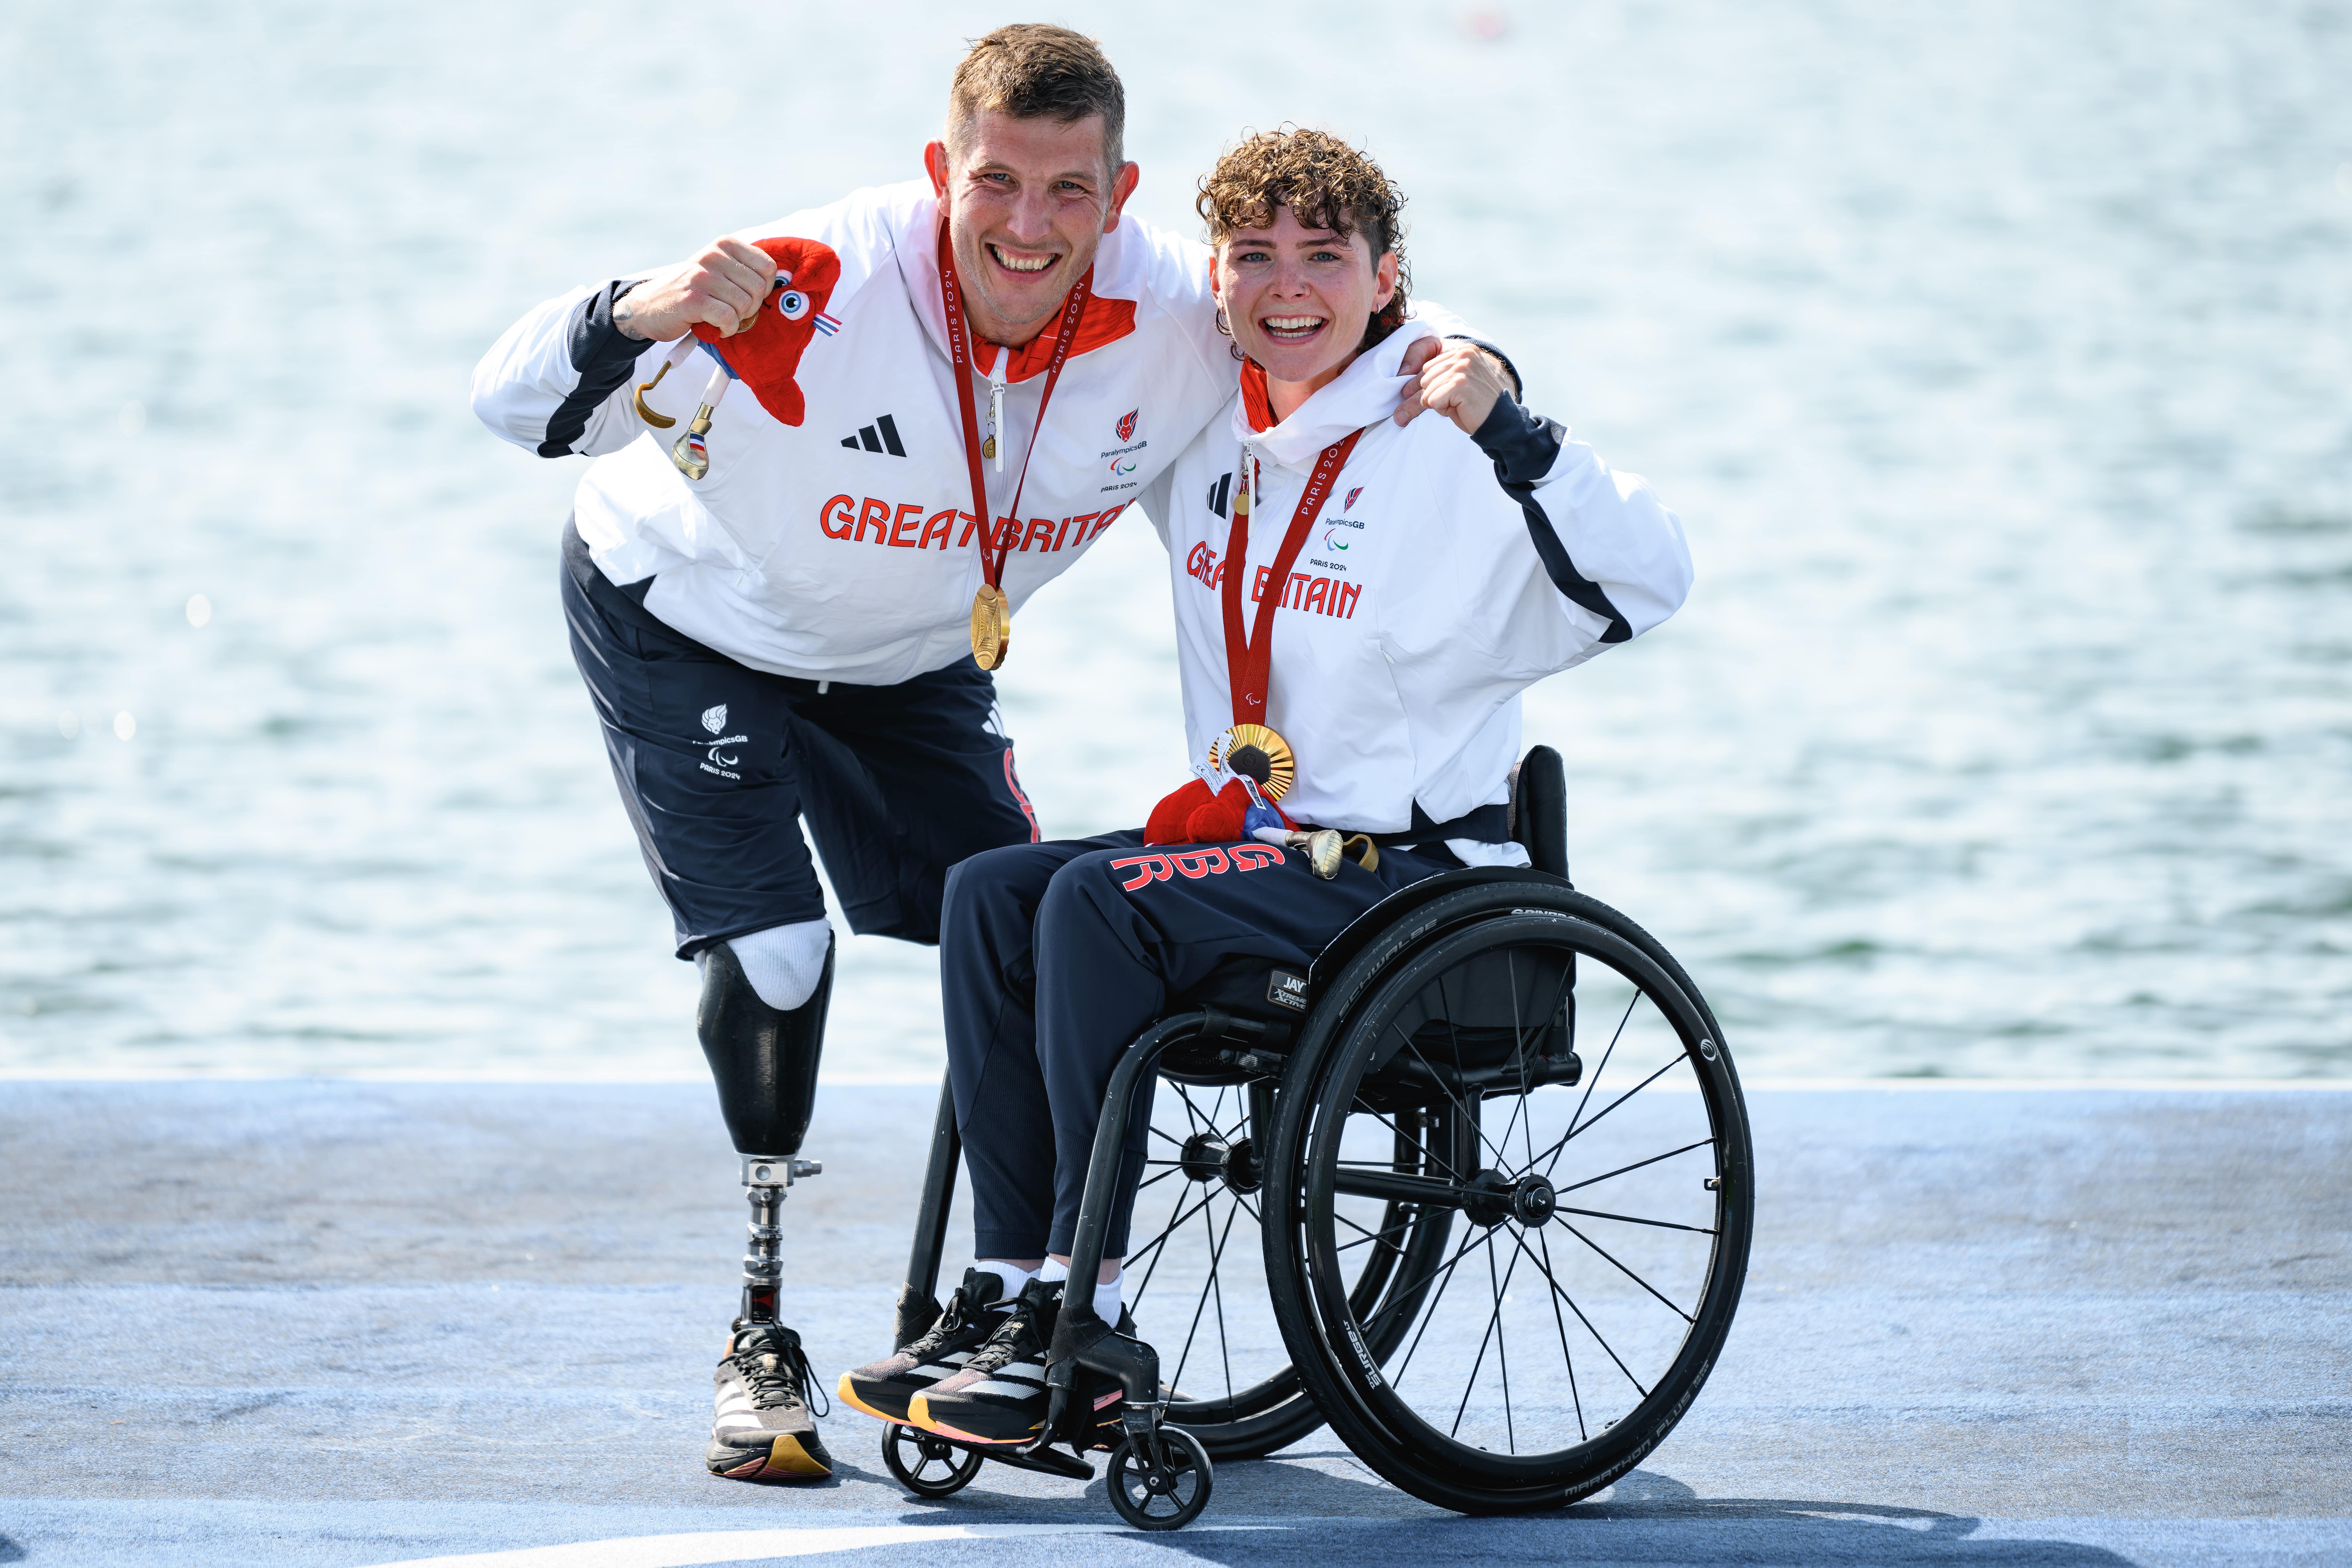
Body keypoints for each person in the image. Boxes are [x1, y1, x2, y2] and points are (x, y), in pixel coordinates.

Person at [470, 27, 1511, 1483]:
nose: (1029, 226)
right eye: (995, 184)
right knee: (778, 955)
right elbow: (510, 404)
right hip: (688, 617)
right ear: (936, 174)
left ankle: (1028, 1304)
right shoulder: (810, 283)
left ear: (1117, 189)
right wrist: (639, 308)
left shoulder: (1169, 307)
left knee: (1009, 919)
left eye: (1068, 191)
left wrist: (1478, 368)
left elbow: (1318, 301)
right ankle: (757, 1339)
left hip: (907, 663)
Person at [840, 127, 1691, 1450]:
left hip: (1407, 877)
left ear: (1386, 279)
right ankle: (1004, 1293)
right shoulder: (1209, 435)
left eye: (1323, 258)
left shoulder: (1441, 436)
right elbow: (1090, 307)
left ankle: (1091, 1312)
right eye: (1255, 257)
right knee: (994, 890)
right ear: (1220, 282)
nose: (1288, 285)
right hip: (1257, 850)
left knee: (1097, 908)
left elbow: (1650, 578)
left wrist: (1508, 418)